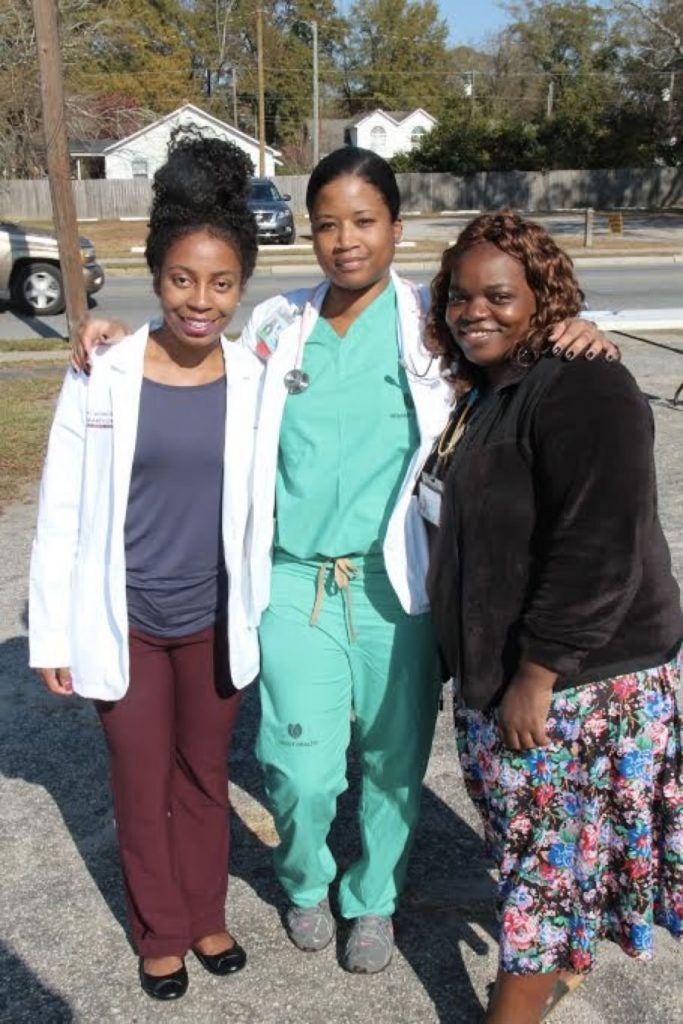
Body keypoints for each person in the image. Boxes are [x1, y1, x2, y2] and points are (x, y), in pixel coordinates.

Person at [75, 148, 618, 976]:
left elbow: (513, 343)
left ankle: (373, 900)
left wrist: (579, 326)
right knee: (296, 766)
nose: (344, 240)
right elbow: (192, 354)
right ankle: (304, 881)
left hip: (394, 583)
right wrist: (112, 338)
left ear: (395, 228)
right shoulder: (274, 324)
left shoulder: (435, 319)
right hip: (294, 579)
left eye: (363, 221)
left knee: (394, 762)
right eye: (326, 223)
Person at [423, 210, 683, 1024]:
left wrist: (538, 672)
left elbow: (597, 546)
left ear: (543, 298)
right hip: (508, 677)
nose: (475, 311)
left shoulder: (582, 385)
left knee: (536, 882)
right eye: (459, 297)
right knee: (545, 865)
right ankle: (557, 965)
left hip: (579, 686)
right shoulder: (487, 391)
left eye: (498, 295)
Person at [29, 130, 262, 1001]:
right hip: (123, 621)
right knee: (139, 780)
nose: (200, 301)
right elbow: (59, 510)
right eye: (181, 279)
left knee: (206, 777)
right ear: (156, 276)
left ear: (241, 286)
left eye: (221, 283)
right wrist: (51, 630)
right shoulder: (105, 370)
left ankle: (206, 914)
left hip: (211, 620)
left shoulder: (258, 374)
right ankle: (159, 929)